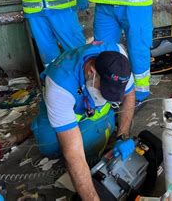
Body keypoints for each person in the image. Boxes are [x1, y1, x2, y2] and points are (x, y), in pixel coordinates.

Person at [31, 41, 136, 200]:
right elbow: (74, 156)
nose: (107, 96)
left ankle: (102, 122)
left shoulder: (119, 60)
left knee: (90, 149)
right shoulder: (59, 87)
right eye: (105, 91)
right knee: (49, 148)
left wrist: (123, 135)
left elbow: (129, 94)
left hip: (92, 109)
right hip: (63, 99)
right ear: (92, 71)